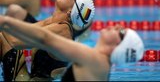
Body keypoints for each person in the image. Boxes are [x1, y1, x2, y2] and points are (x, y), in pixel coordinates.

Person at [0, 15, 144, 81]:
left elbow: (46, 38)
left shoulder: (94, 59)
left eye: (121, 32)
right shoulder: (101, 65)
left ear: (119, 48)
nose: (116, 26)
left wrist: (6, 21)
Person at [0, 0, 95, 81]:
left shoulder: (63, 32)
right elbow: (21, 33)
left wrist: (4, 21)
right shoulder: (53, 21)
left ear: (70, 11)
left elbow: (15, 41)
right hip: (21, 73)